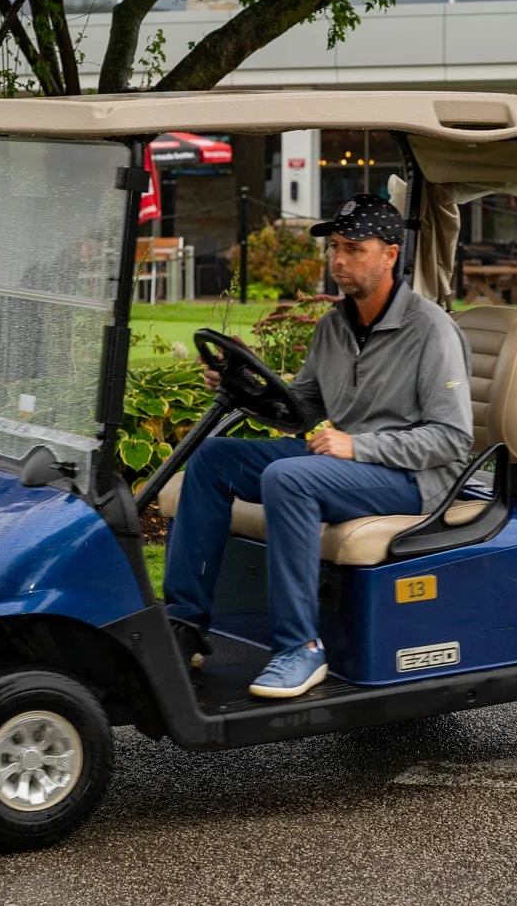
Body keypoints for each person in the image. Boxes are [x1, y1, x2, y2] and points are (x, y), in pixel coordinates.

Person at [163, 193, 473, 699]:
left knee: (289, 479)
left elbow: (452, 439)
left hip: (415, 479)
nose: (338, 260)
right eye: (335, 248)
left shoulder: (430, 330)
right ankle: (184, 624)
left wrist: (359, 446)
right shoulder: (334, 325)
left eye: (354, 248)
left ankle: (300, 648)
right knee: (214, 460)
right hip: (346, 465)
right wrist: (245, 386)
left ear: (390, 254)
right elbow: (301, 408)